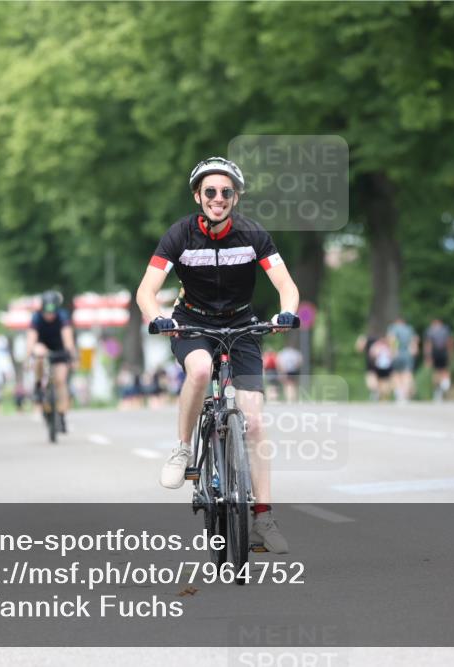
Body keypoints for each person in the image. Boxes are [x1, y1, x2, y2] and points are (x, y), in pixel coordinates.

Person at [135, 156, 299, 554]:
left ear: (235, 197)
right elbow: (145, 290)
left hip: (241, 326)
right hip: (191, 324)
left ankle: (262, 517)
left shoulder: (253, 234)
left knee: (256, 421)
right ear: (198, 196)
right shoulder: (179, 236)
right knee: (200, 369)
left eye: (226, 192)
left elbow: (286, 285)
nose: (218, 198)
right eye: (210, 191)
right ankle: (182, 448)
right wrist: (157, 318)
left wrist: (286, 312)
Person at [26, 290, 77, 432]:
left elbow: (68, 339)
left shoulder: (62, 316)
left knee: (61, 380)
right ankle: (38, 384)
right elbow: (31, 339)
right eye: (46, 311)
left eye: (52, 311)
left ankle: (61, 415)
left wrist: (71, 355)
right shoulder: (36, 317)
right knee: (39, 353)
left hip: (59, 347)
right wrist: (28, 356)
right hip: (42, 346)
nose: (49, 315)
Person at [387, 316, 419, 404]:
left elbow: (392, 339)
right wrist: (414, 350)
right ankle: (405, 394)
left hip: (397, 353)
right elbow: (414, 341)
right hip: (407, 354)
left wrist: (393, 350)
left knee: (396, 374)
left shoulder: (393, 328)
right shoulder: (409, 329)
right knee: (407, 374)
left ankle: (399, 394)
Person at [424, 318, 454, 401]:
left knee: (436, 372)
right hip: (444, 352)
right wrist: (451, 353)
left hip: (435, 352)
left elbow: (428, 344)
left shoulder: (430, 331)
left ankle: (438, 391)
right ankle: (445, 385)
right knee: (445, 370)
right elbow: (450, 342)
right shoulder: (446, 330)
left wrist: (428, 356)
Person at [355, 334, 380, 401]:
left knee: (370, 377)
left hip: (371, 362)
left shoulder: (366, 337)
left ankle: (375, 392)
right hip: (384, 362)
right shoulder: (385, 336)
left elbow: (359, 349)